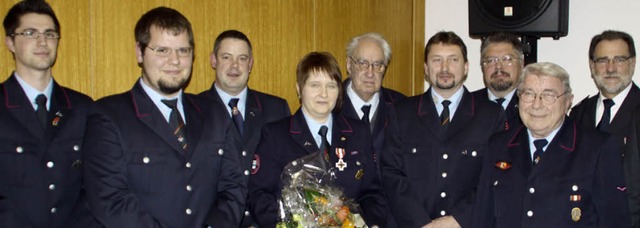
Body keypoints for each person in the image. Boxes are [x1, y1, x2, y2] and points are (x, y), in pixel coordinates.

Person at [82, 7, 245, 227]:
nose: (175, 61)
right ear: (140, 52)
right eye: (162, 50)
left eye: (183, 51)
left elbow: (233, 187)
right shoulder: (108, 116)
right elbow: (110, 199)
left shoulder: (215, 114)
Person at [473, 62, 631, 227]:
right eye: (528, 94)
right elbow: (482, 217)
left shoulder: (596, 148)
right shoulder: (499, 145)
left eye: (548, 95)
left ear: (568, 101)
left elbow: (615, 221)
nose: (536, 104)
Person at [247, 52, 387, 227]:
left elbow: (372, 193)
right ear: (299, 88)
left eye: (331, 86)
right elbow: (258, 195)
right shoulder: (276, 135)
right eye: (315, 85)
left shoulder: (358, 132)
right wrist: (289, 225)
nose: (324, 94)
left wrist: (373, 224)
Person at [381, 31, 505, 228]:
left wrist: (457, 220)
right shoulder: (402, 112)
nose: (445, 68)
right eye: (437, 60)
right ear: (426, 68)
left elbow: (494, 178)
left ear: (466, 67)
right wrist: (422, 223)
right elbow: (391, 173)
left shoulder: (491, 115)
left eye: (453, 60)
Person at [0, 1, 96, 227]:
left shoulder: (82, 107)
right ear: (10, 42)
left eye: (50, 34)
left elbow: (94, 186)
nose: (42, 42)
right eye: (30, 33)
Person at [199, 29, 291, 227]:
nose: (234, 66)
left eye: (242, 58)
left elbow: (290, 174)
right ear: (213, 60)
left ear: (250, 64)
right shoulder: (194, 111)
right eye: (226, 57)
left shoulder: (276, 109)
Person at [569, 30, 640, 226]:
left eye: (619, 59)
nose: (610, 68)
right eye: (602, 60)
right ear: (592, 67)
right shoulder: (578, 114)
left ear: (632, 63)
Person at [472, 32, 524, 130]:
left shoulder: (532, 105)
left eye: (507, 59)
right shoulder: (466, 104)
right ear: (482, 67)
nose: (499, 66)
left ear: (521, 64)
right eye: (491, 60)